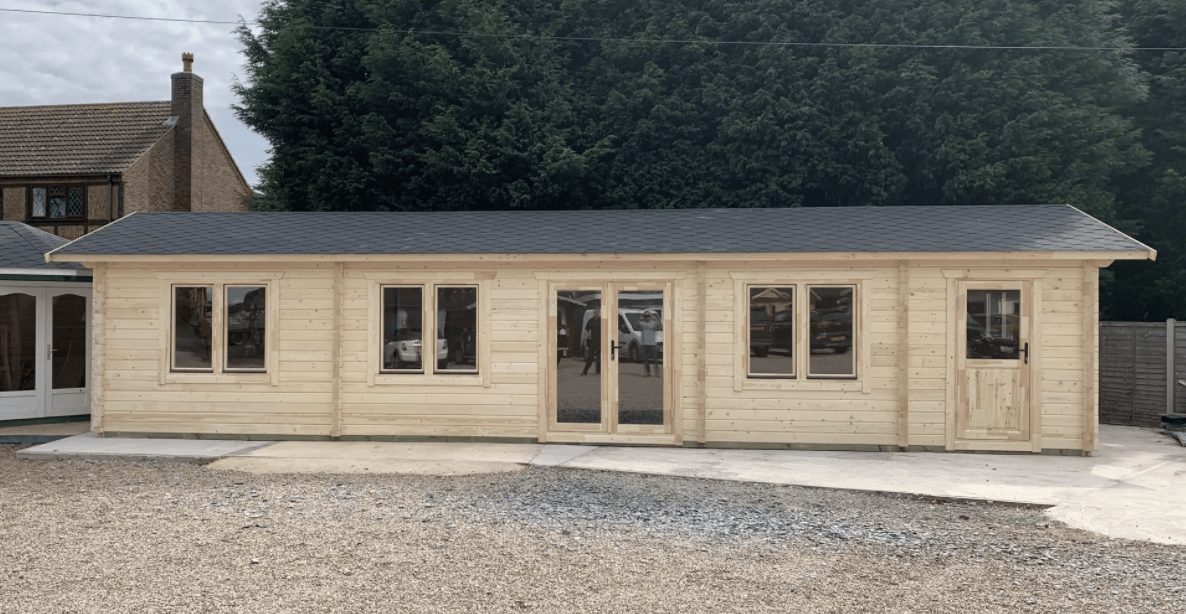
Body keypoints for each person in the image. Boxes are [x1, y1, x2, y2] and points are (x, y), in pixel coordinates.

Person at [639, 310, 660, 377]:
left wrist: (654, 318)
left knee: (655, 360)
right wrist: (641, 317)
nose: (647, 317)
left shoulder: (654, 323)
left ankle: (657, 373)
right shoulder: (642, 323)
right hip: (644, 344)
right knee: (645, 360)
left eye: (648, 316)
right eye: (646, 316)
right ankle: (648, 373)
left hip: (652, 344)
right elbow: (637, 324)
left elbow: (658, 326)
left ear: (650, 316)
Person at [581, 309, 601, 376]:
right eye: (595, 312)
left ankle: (598, 371)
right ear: (593, 313)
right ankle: (585, 371)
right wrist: (585, 339)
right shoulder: (590, 321)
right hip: (593, 341)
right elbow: (587, 330)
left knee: (599, 358)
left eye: (598, 312)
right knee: (590, 357)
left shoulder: (602, 321)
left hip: (600, 341)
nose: (597, 313)